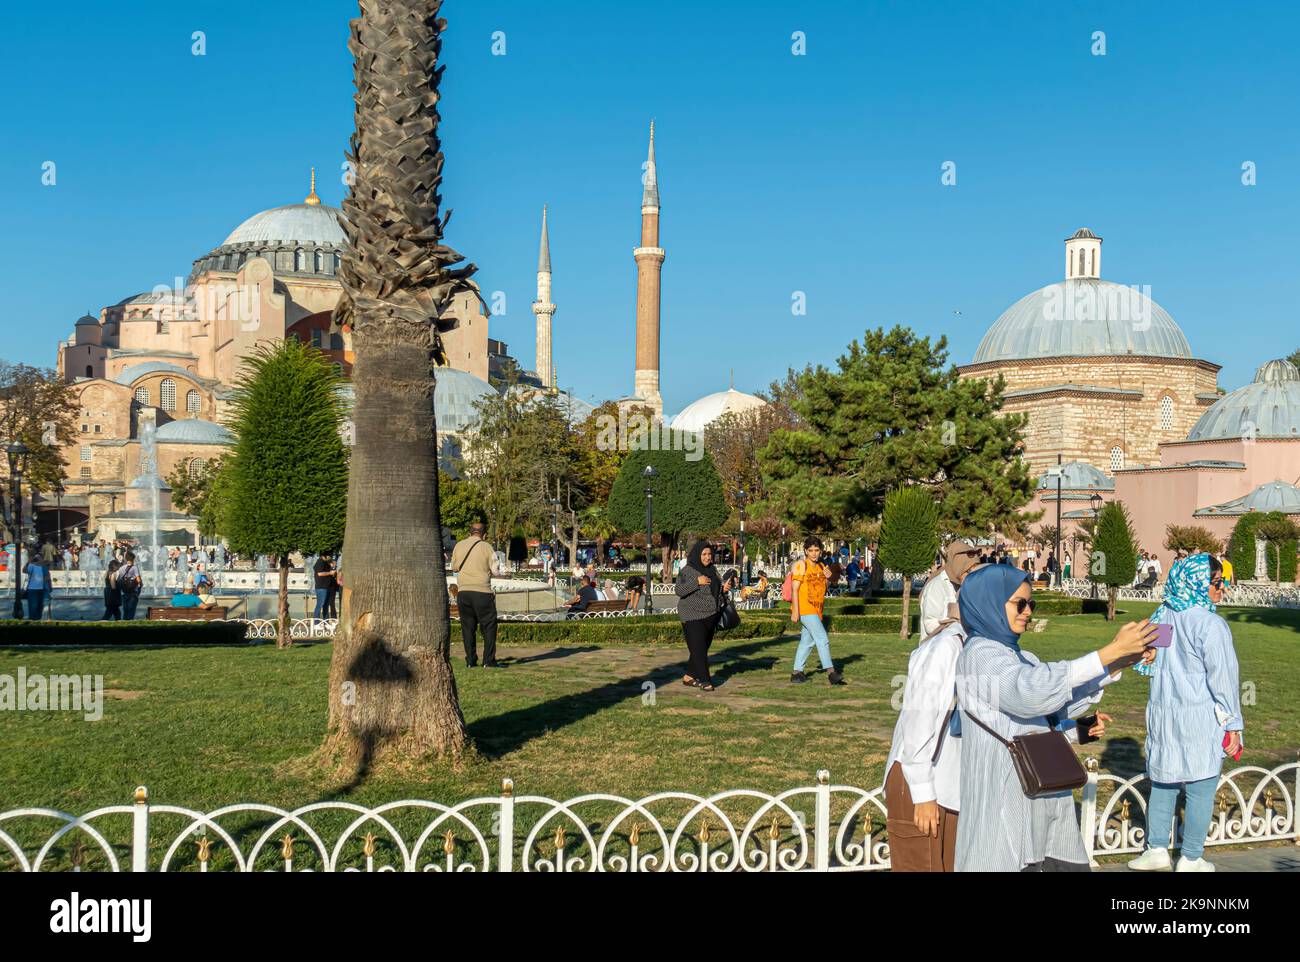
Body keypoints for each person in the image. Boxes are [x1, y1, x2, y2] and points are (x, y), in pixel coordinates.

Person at [954, 564, 1157, 871]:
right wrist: (1107, 653)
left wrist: (1117, 663)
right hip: (1005, 796)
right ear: (989, 604)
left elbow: (1052, 705)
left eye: (1031, 603)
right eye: (1018, 604)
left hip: (1040, 792)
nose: (1027, 612)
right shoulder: (980, 655)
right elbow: (1028, 693)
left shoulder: (1019, 656)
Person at [1127, 554, 1243, 873]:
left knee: (1164, 781)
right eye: (1217, 582)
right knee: (1200, 786)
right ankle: (1191, 857)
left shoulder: (1166, 616)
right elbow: (1223, 680)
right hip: (1200, 717)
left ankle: (1157, 849)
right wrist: (1232, 722)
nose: (1221, 588)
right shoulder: (1209, 624)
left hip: (1165, 714)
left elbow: (1147, 655)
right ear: (1198, 582)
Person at [884, 609, 971, 871]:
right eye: (1019, 604)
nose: (1027, 613)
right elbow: (918, 720)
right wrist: (922, 794)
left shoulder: (984, 647)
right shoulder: (946, 647)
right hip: (924, 783)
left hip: (953, 788)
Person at [790, 537, 845, 685]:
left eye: (816, 550)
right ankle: (831, 673)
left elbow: (824, 587)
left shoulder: (821, 566)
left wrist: (829, 578)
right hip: (805, 608)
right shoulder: (800, 565)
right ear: (806, 551)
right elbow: (794, 588)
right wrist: (795, 610)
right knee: (822, 638)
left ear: (820, 551)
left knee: (806, 642)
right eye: (811, 550)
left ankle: (797, 673)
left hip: (817, 608)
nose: (814, 553)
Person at [450, 523, 501, 667]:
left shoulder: (459, 546)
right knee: (489, 626)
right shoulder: (487, 547)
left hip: (464, 592)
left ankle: (471, 661)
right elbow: (496, 570)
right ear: (484, 534)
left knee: (467, 627)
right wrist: (490, 571)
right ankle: (488, 661)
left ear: (470, 533)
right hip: (482, 592)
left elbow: (454, 567)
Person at [676, 540, 722, 691]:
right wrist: (697, 582)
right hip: (691, 615)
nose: (707, 557)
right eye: (704, 554)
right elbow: (679, 591)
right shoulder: (687, 571)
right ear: (697, 554)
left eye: (709, 554)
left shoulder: (713, 570)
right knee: (699, 651)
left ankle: (689, 676)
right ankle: (706, 680)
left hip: (710, 616)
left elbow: (715, 591)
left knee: (700, 649)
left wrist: (725, 588)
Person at [918, 540, 980, 638]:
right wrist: (957, 627)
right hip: (938, 648)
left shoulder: (964, 585)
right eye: (968, 571)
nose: (971, 576)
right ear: (959, 567)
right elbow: (930, 624)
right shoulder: (936, 586)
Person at [23, 555, 52, 620]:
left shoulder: (44, 567)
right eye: (36, 558)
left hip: (43, 589)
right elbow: (24, 570)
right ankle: (33, 622)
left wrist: (49, 588)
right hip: (32, 589)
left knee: (40, 607)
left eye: (39, 558)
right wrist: (28, 562)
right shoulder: (32, 565)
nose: (38, 560)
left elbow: (48, 578)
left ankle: (37, 621)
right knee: (33, 608)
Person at [118, 552, 144, 620]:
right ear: (133, 559)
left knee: (125, 610)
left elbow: (119, 580)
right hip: (133, 592)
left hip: (124, 592)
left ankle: (124, 623)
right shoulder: (134, 567)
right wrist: (140, 587)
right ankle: (130, 623)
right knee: (131, 610)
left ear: (126, 559)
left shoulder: (121, 568)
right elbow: (138, 580)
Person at [313, 552, 338, 620]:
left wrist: (333, 567)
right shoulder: (320, 562)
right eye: (330, 556)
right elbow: (319, 573)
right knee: (320, 604)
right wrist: (330, 572)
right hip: (321, 587)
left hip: (327, 586)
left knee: (326, 605)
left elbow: (332, 574)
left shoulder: (327, 562)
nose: (331, 557)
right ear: (326, 556)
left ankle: (325, 621)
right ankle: (316, 622)